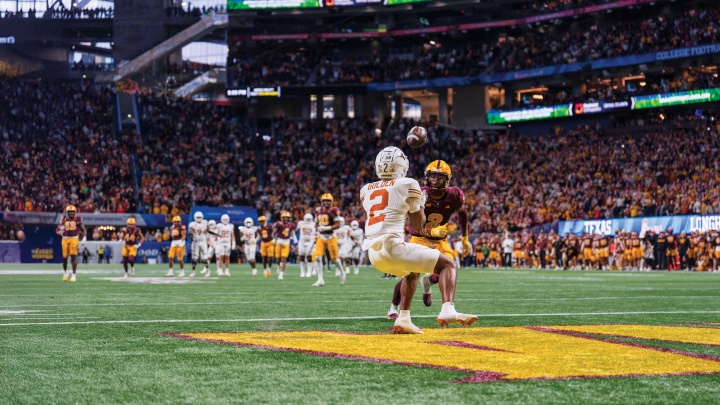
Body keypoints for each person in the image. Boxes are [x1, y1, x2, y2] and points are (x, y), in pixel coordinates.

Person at [360, 146, 477, 334]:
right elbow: (417, 223)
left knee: (412, 271)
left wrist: (464, 237)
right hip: (394, 247)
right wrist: (420, 205)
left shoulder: (365, 189)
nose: (435, 180)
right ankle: (447, 310)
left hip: (374, 253)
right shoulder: (410, 184)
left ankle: (403, 318)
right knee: (449, 265)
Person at [385, 160, 470, 319]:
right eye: (432, 176)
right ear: (427, 177)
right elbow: (414, 227)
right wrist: (431, 231)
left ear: (447, 179)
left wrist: (465, 237)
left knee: (450, 268)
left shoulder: (454, 195)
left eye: (440, 177)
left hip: (440, 241)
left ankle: (431, 287)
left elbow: (462, 214)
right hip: (419, 238)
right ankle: (393, 306)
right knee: (410, 275)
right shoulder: (419, 193)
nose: (435, 180)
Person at [312, 193, 346, 287]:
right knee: (318, 257)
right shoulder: (318, 211)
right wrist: (317, 228)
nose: (326, 202)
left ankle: (342, 273)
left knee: (334, 259)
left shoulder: (334, 210)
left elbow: (338, 224)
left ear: (331, 202)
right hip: (321, 237)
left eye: (328, 201)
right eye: (324, 201)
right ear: (322, 201)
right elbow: (316, 223)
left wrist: (326, 228)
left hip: (331, 237)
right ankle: (320, 279)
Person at [56, 205, 86, 282]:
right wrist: (60, 231)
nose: (71, 214)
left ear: (75, 212)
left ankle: (74, 275)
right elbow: (58, 229)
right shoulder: (63, 219)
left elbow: (82, 229)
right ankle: (65, 272)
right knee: (65, 257)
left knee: (73, 256)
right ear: (67, 212)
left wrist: (84, 237)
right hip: (65, 239)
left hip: (74, 238)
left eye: (72, 212)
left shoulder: (77, 219)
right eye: (70, 212)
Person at [272, 211, 296, 280]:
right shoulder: (278, 224)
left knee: (284, 258)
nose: (286, 219)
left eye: (287, 218)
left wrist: (294, 239)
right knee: (277, 259)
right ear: (281, 218)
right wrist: (276, 239)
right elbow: (273, 233)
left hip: (286, 241)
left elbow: (292, 233)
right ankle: (279, 266)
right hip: (279, 240)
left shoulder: (291, 225)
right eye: (284, 218)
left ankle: (281, 274)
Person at [188, 211, 209, 277]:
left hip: (203, 241)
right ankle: (193, 271)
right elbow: (190, 233)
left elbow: (207, 230)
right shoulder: (193, 224)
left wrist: (203, 229)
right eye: (198, 217)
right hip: (196, 241)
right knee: (194, 258)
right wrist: (192, 238)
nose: (199, 218)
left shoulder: (205, 223)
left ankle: (207, 270)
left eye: (200, 217)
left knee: (204, 258)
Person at [296, 213, 316, 278]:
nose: (308, 220)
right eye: (307, 219)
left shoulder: (314, 224)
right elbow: (297, 230)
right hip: (302, 241)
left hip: (310, 241)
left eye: (309, 219)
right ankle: (302, 271)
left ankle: (309, 271)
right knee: (301, 256)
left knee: (309, 255)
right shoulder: (301, 223)